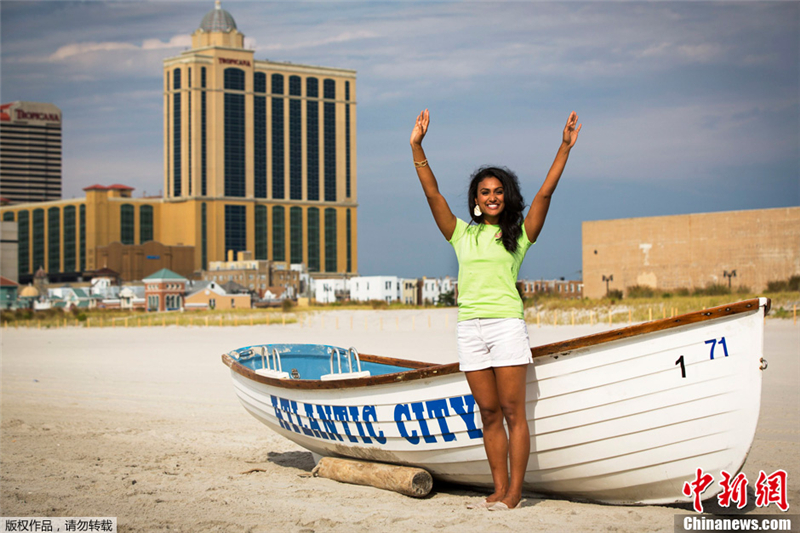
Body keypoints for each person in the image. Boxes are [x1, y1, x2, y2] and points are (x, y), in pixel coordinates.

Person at [410, 109, 581, 511]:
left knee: (511, 411)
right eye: (485, 192)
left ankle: (515, 491)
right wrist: (417, 146)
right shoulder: (460, 235)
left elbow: (544, 194)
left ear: (506, 197)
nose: (492, 197)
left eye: (498, 191)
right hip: (470, 328)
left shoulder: (518, 236)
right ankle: (499, 487)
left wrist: (564, 148)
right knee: (488, 413)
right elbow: (432, 194)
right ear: (475, 200)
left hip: (506, 326)